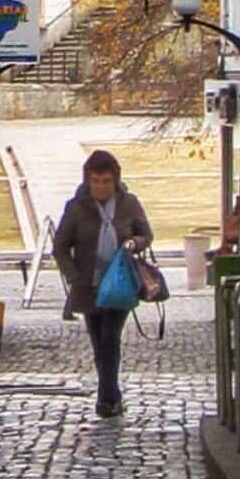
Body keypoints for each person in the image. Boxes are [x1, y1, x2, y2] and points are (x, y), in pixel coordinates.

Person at [51, 149, 156, 420]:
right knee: (99, 341)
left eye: (106, 181)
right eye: (95, 181)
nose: (101, 187)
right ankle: (111, 394)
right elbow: (60, 247)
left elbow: (146, 234)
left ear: (115, 181)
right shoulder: (76, 208)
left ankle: (106, 398)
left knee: (111, 337)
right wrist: (74, 277)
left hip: (120, 283)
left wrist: (134, 243)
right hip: (89, 286)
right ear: (87, 181)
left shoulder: (128, 204)